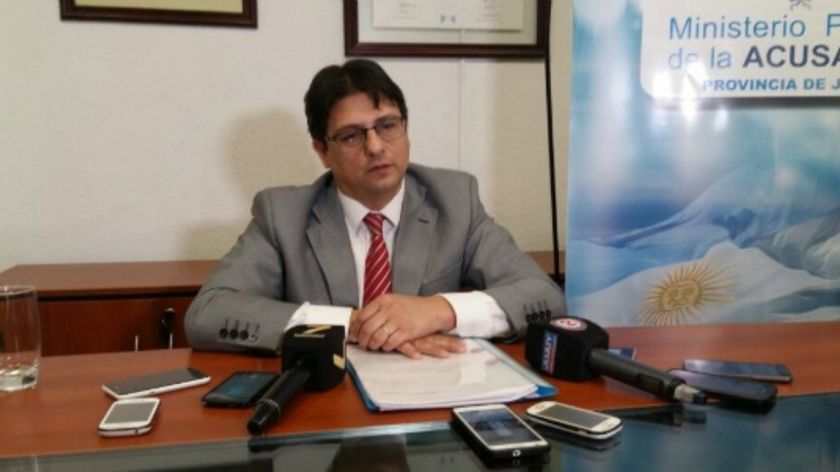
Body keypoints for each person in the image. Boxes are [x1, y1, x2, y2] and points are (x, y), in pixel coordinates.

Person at [185, 59, 565, 359]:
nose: (376, 147)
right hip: (328, 402)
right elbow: (208, 313)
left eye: (387, 126)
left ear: (406, 128)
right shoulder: (281, 215)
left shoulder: (455, 200)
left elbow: (543, 296)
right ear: (322, 151)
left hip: (429, 391)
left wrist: (435, 312)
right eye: (351, 136)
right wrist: (351, 325)